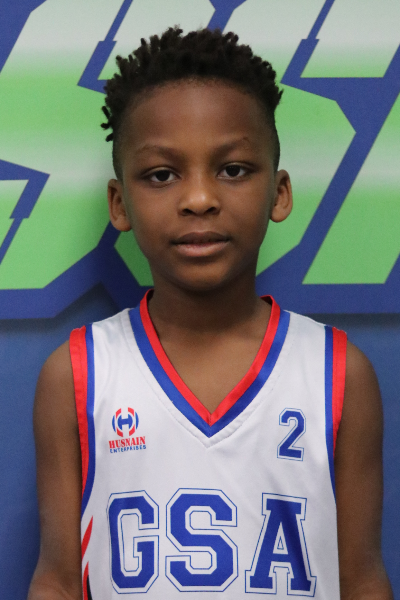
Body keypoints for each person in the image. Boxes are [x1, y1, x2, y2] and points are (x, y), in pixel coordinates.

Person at [28, 27, 393, 600]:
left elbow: (362, 578)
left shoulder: (338, 374)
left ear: (279, 193)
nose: (199, 199)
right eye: (162, 175)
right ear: (120, 204)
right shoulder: (78, 375)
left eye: (233, 169)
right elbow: (57, 579)